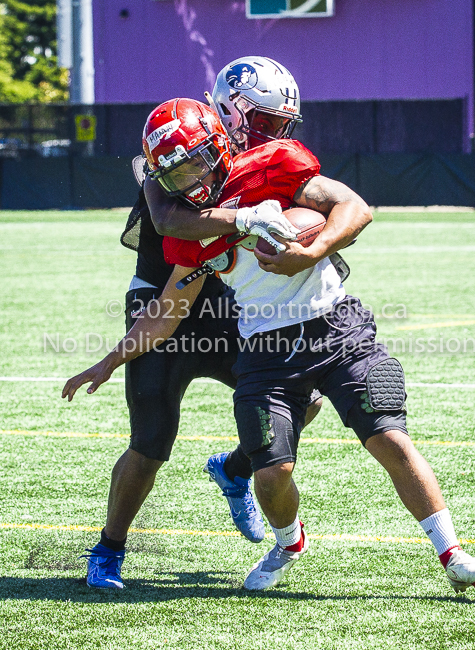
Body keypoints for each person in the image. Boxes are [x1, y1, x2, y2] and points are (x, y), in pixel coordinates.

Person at [63, 94, 475, 595]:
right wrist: (110, 360)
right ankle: (279, 539)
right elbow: (165, 313)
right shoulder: (190, 229)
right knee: (247, 468)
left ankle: (452, 553)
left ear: (221, 144)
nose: (194, 184)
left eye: (197, 166)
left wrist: (310, 249)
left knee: (388, 437)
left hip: (338, 331)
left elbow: (353, 207)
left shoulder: (276, 166)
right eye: (178, 177)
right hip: (266, 347)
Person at [64, 57, 323, 590]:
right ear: (231, 111)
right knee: (151, 439)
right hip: (164, 299)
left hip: (222, 297)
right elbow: (168, 218)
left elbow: (315, 206)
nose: (273, 133)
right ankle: (108, 548)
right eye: (266, 121)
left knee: (305, 398)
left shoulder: (259, 158)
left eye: (279, 124)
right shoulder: (182, 141)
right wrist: (248, 217)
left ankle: (233, 469)